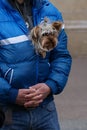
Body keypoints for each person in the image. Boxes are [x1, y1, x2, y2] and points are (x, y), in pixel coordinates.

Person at [0, 0, 72, 130]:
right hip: (8, 110)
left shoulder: (50, 11)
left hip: (45, 110)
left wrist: (50, 85)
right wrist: (10, 93)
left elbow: (61, 56)